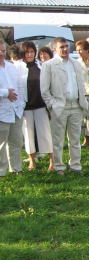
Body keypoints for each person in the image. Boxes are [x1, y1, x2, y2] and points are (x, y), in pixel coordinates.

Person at [40, 37, 89, 175]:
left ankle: (75, 165)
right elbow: (44, 90)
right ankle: (59, 166)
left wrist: (82, 101)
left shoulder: (76, 63)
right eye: (62, 47)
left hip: (76, 105)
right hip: (59, 106)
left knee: (75, 139)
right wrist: (52, 105)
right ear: (54, 49)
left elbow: (81, 84)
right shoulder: (49, 65)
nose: (65, 49)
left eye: (67, 46)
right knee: (58, 140)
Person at [14, 42, 53, 171]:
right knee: (28, 134)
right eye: (27, 52)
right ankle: (32, 160)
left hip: (41, 105)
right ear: (23, 53)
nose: (30, 55)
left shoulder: (40, 66)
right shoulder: (18, 67)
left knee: (45, 133)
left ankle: (52, 161)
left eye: (32, 52)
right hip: (25, 106)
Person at [0, 39, 26, 177]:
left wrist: (21, 104)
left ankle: (16, 169)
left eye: (3, 51)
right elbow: (7, 91)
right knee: (1, 144)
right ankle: (1, 172)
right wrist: (5, 93)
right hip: (2, 111)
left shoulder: (11, 67)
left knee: (16, 142)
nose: (1, 53)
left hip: (16, 110)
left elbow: (20, 86)